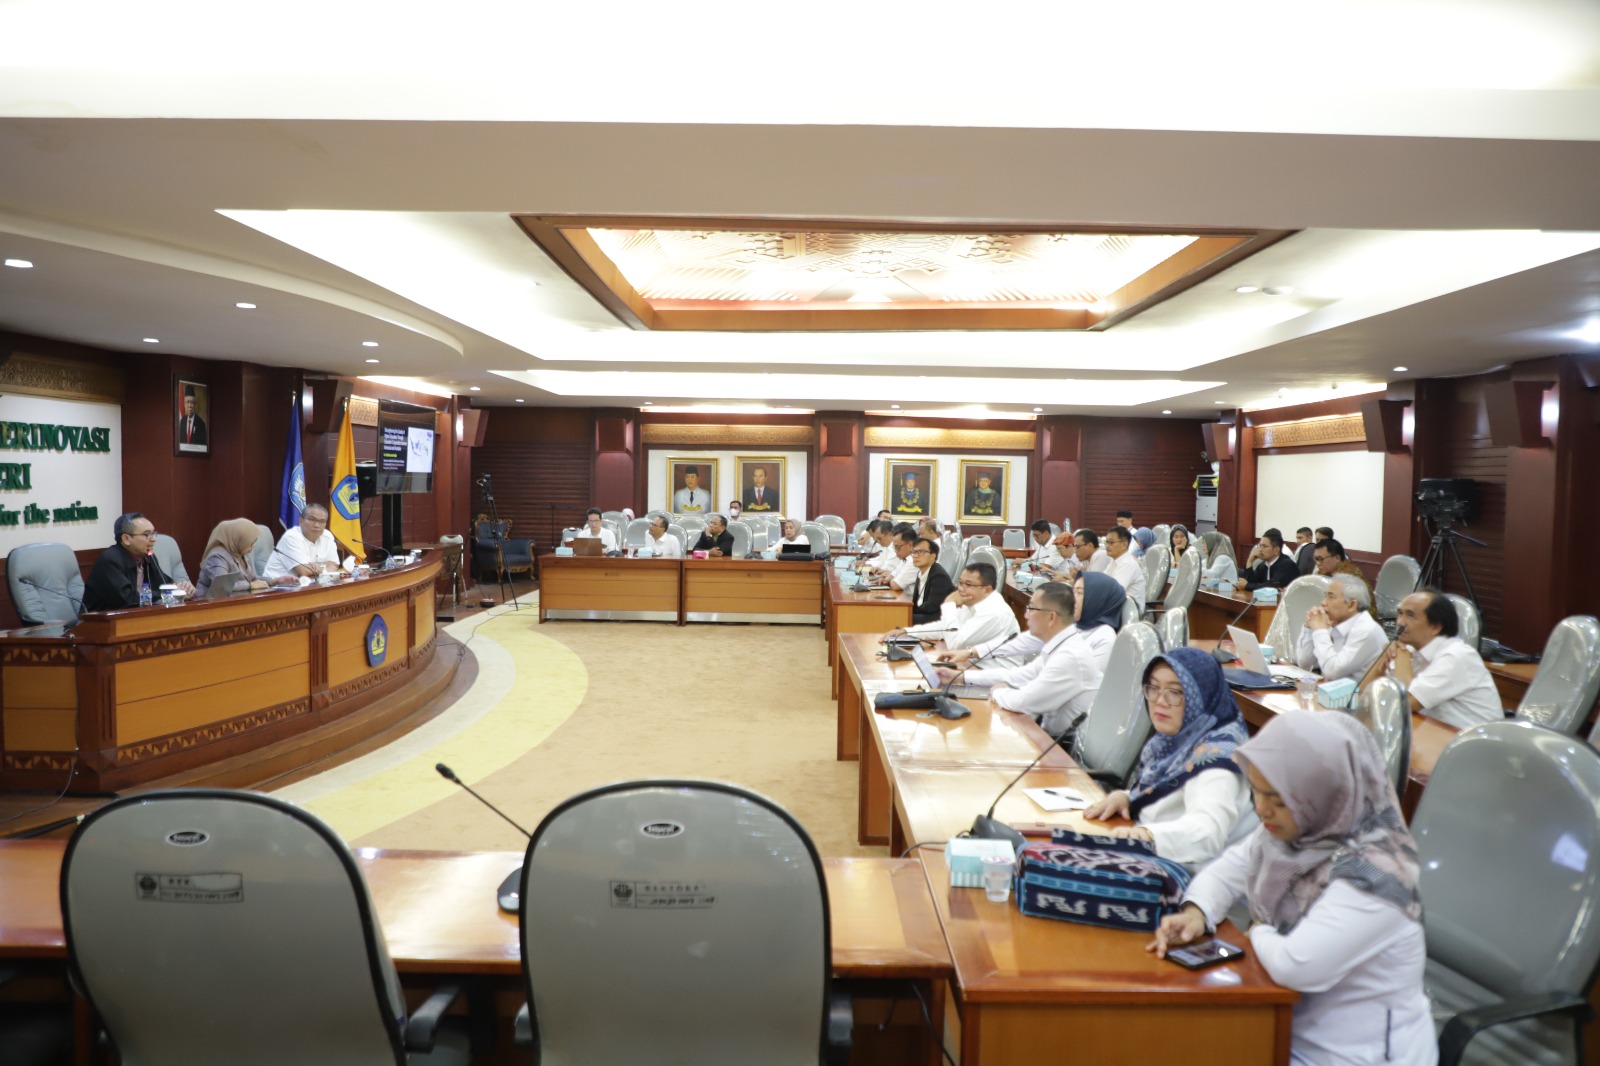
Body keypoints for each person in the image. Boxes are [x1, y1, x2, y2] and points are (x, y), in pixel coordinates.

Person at [1149, 712, 1433, 1066]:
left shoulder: (1377, 873)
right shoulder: (1301, 828)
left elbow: (1295, 965)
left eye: (1278, 799)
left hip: (1354, 1054)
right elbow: (1224, 872)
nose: (1261, 809)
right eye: (1256, 791)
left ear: (1326, 791)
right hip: (1281, 1022)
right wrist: (1196, 912)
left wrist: (1258, 931)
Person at [1084, 648, 1257, 870]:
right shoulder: (1172, 743)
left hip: (1191, 879)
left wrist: (1147, 834)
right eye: (1153, 688)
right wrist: (1126, 798)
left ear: (1200, 697)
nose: (1160, 701)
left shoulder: (1217, 763)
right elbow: (1167, 795)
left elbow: (1207, 833)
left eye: (1175, 692)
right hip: (1155, 863)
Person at [955, 576, 1120, 735]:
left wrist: (998, 692)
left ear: (1051, 617)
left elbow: (1023, 702)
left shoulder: (1071, 655)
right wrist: (963, 677)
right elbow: (1018, 675)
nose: (1026, 615)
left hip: (1061, 745)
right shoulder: (1063, 643)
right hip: (1046, 732)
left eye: (1031, 609)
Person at [1364, 589, 1501, 728]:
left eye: (1410, 615)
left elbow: (1404, 703)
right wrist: (1384, 656)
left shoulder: (1456, 656)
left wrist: (1400, 657)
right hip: (1433, 732)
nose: (1400, 622)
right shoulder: (1412, 650)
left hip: (1470, 738)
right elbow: (1363, 694)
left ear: (1436, 627)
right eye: (1400, 613)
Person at [888, 561, 1017, 653]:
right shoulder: (972, 603)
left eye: (968, 585)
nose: (961, 589)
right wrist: (907, 632)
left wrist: (949, 604)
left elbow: (955, 644)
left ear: (987, 590)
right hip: (972, 666)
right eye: (960, 583)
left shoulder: (994, 612)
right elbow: (945, 628)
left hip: (991, 676)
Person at [83, 512, 192, 611]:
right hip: (100, 622)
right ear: (126, 539)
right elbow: (128, 600)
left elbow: (164, 584)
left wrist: (182, 589)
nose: (153, 539)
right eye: (146, 534)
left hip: (137, 617)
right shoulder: (110, 561)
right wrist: (169, 593)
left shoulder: (149, 556)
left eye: (153, 533)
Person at [1295, 573, 1388, 681]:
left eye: (1331, 597)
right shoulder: (1336, 623)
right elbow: (1305, 663)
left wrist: (1320, 631)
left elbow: (1332, 672)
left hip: (1358, 692)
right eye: (1325, 596)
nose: (1323, 602)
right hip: (1332, 689)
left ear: (1351, 605)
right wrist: (1309, 628)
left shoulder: (1366, 630)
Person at [263, 503, 342, 581]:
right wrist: (324, 566)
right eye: (312, 519)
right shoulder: (291, 537)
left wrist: (316, 566)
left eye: (322, 521)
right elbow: (303, 571)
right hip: (277, 586)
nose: (317, 525)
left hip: (309, 583)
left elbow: (334, 566)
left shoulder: (327, 536)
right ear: (301, 521)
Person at [195, 517, 271, 596]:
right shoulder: (217, 556)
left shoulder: (240, 554)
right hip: (208, 601)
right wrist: (250, 586)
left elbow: (253, 579)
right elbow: (222, 586)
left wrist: (272, 581)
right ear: (239, 540)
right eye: (250, 543)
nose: (253, 546)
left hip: (235, 599)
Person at [905, 536, 956, 625]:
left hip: (938, 619)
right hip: (924, 614)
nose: (916, 556)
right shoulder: (921, 573)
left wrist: (910, 611)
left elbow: (932, 606)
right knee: (899, 615)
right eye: (914, 552)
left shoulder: (939, 576)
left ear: (933, 556)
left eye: (921, 552)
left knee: (901, 618)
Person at [1103, 525, 1147, 607]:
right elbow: (1103, 583)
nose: (1107, 546)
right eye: (1107, 542)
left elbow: (1114, 592)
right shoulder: (1114, 560)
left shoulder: (1128, 564)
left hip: (1129, 611)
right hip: (1117, 607)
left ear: (1124, 544)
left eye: (1111, 542)